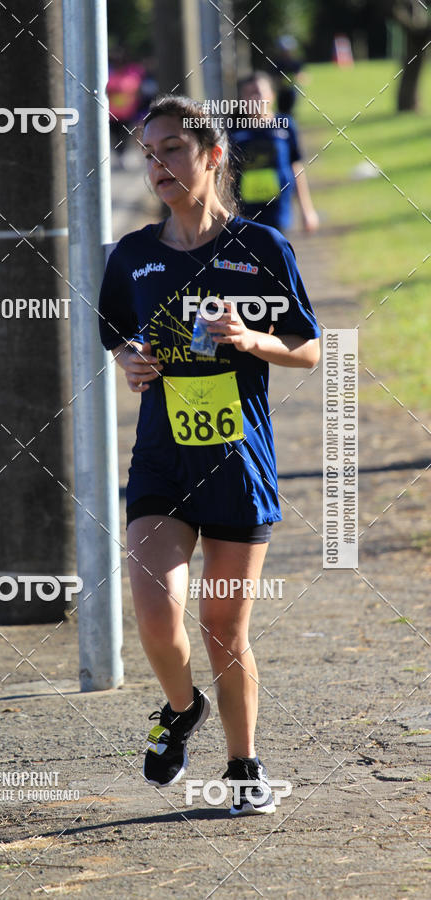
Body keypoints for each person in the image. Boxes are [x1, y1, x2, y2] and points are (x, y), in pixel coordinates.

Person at [98, 94, 320, 816]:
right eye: (148, 153)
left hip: (237, 462)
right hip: (162, 461)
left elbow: (310, 348)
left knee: (224, 627)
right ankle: (181, 706)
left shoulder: (262, 249)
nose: (157, 165)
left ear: (212, 156)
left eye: (172, 150)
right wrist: (132, 359)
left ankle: (244, 766)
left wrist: (252, 341)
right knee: (157, 614)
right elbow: (116, 334)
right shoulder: (131, 256)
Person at [230, 71, 318, 234]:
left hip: (278, 211)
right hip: (244, 214)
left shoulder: (285, 125)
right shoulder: (232, 131)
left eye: (258, 92)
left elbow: (296, 167)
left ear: (271, 95)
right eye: (249, 94)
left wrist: (307, 211)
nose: (254, 99)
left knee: (275, 255)